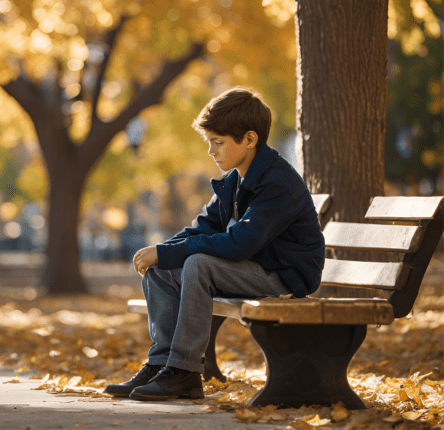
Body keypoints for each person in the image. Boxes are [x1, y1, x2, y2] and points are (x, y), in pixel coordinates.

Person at [104, 87, 325, 400]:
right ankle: (162, 363)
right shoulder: (236, 179)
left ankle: (184, 372)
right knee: (161, 271)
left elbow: (240, 244)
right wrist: (161, 253)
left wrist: (168, 253)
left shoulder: (277, 182)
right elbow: (203, 228)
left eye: (218, 142)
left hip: (284, 275)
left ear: (249, 139)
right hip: (256, 268)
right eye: (210, 142)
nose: (211, 151)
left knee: (198, 264)